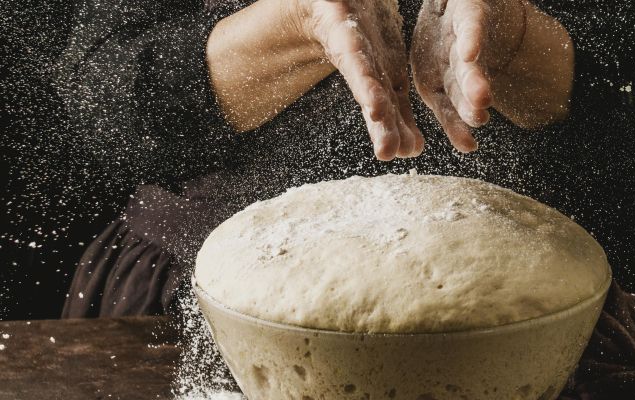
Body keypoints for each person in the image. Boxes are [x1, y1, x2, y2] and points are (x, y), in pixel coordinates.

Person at [57, 0, 574, 317]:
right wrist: (299, 23)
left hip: (520, 295)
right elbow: (104, 109)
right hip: (202, 295)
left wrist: (508, 34)